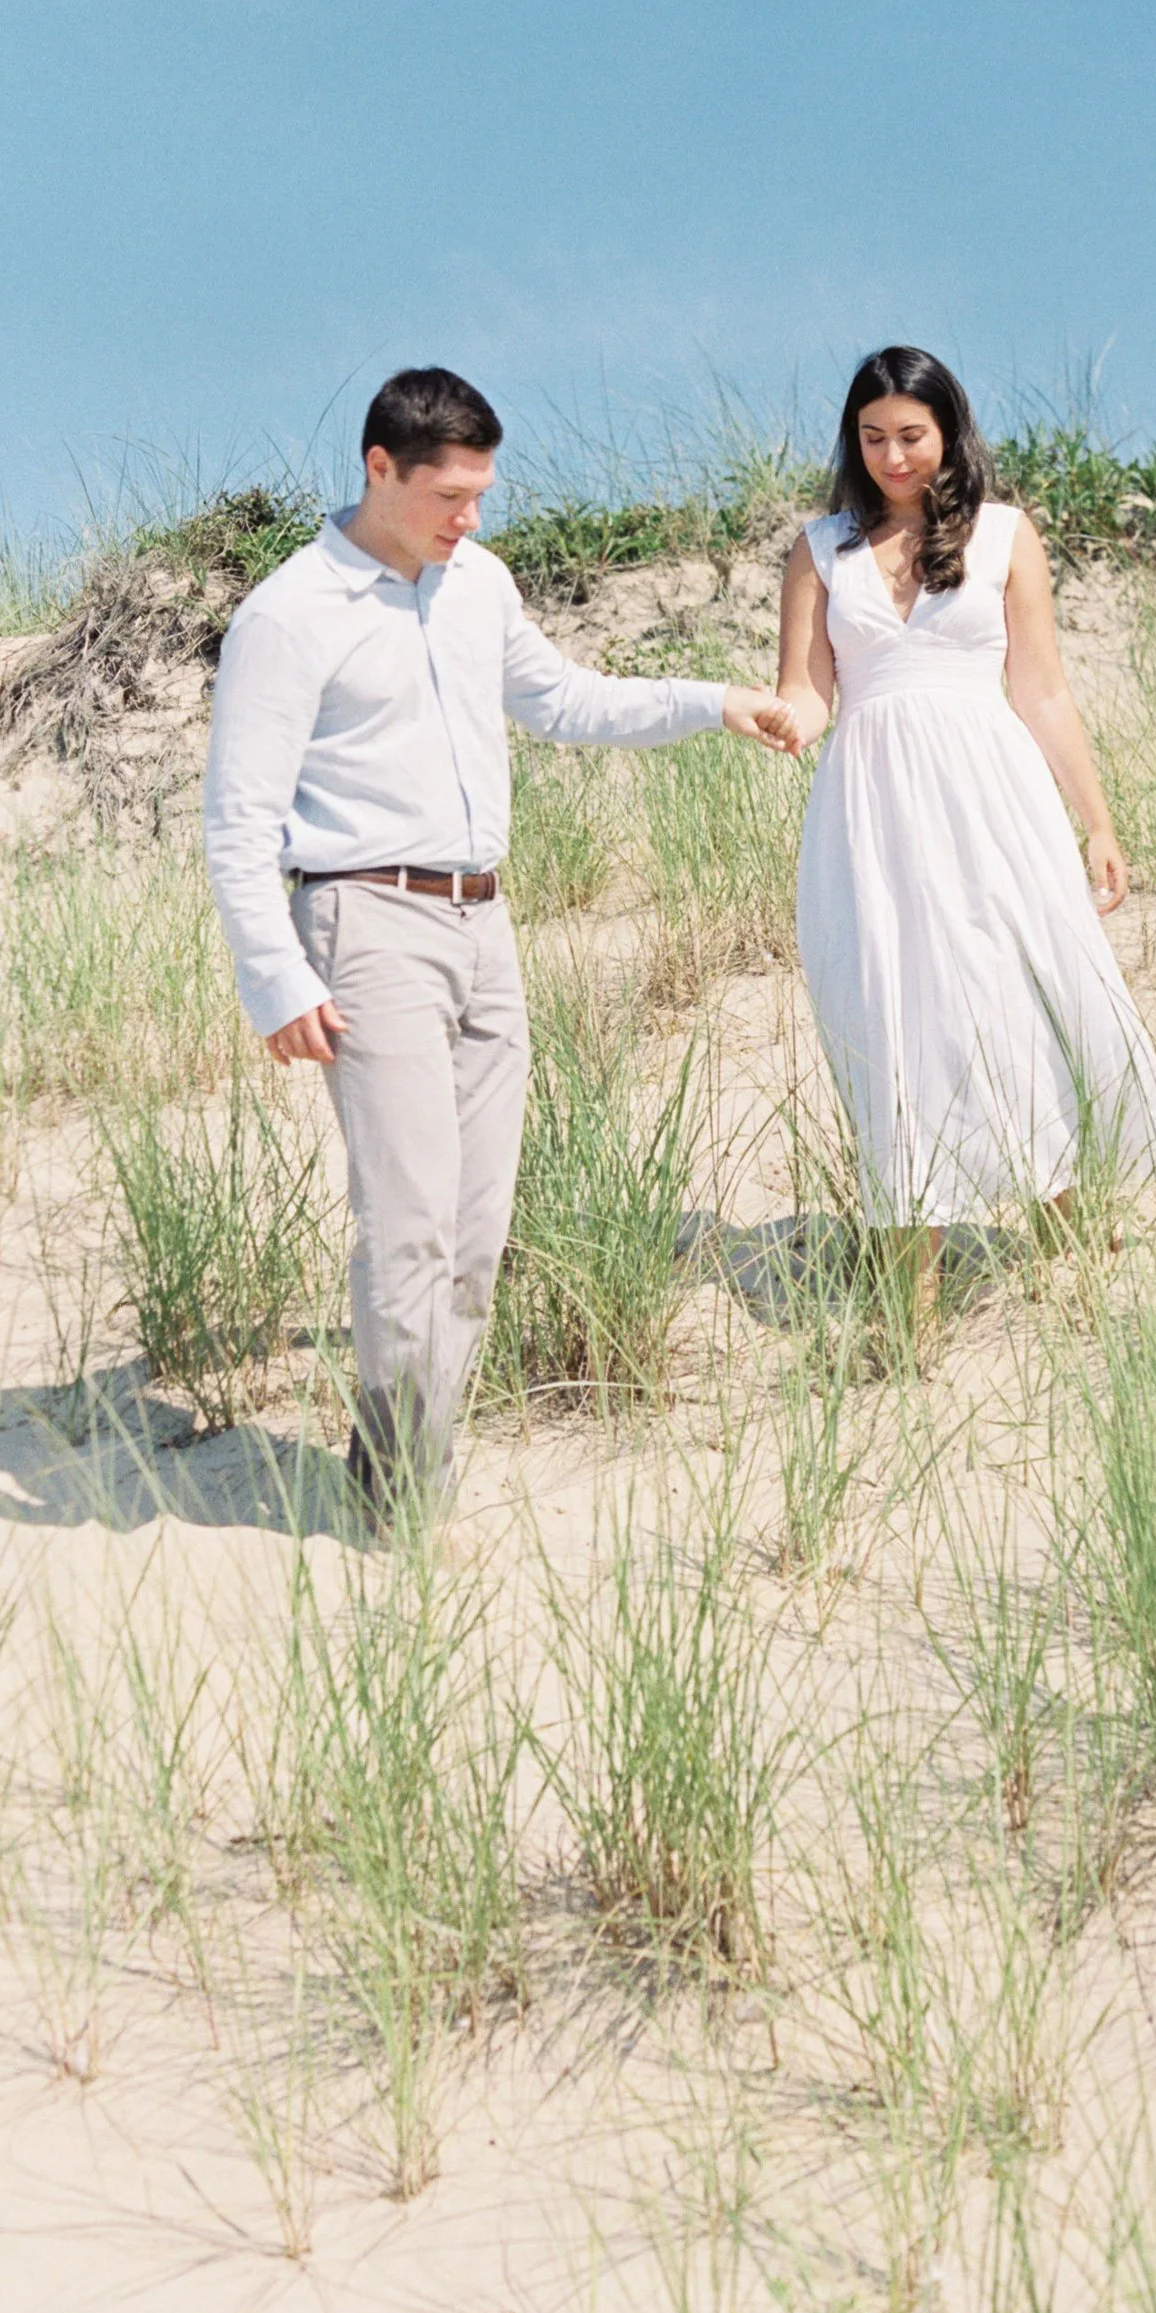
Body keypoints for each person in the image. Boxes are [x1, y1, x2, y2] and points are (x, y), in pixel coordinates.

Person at [203, 365, 799, 1518]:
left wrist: (713, 701)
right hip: (363, 923)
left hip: (489, 925)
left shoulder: (477, 585)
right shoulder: (287, 614)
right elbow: (237, 820)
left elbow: (564, 700)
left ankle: (409, 1465)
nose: (468, 520)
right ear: (380, 469)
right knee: (410, 1226)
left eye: (481, 495)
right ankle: (400, 1500)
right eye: (449, 496)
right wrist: (270, 972)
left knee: (477, 1235)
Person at [773, 345, 1156, 1336]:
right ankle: (913, 1282)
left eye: (910, 436)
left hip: (992, 795)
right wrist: (768, 718)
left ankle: (1066, 1220)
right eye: (871, 439)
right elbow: (809, 693)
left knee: (1017, 993)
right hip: (871, 807)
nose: (891, 458)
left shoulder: (1001, 537)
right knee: (897, 1018)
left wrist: (1098, 822)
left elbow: (1041, 689)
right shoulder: (817, 550)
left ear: (947, 434)